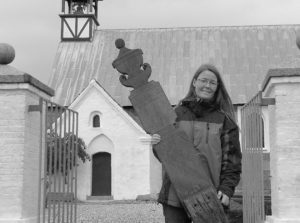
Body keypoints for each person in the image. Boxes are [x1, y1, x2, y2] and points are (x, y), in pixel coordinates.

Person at [151, 63, 242, 223]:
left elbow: (232, 162)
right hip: (175, 194)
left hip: (210, 196)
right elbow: (166, 156)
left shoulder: (225, 121)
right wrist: (157, 145)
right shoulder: (176, 114)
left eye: (212, 82)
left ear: (217, 87)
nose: (207, 85)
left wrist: (226, 190)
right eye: (203, 80)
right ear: (194, 82)